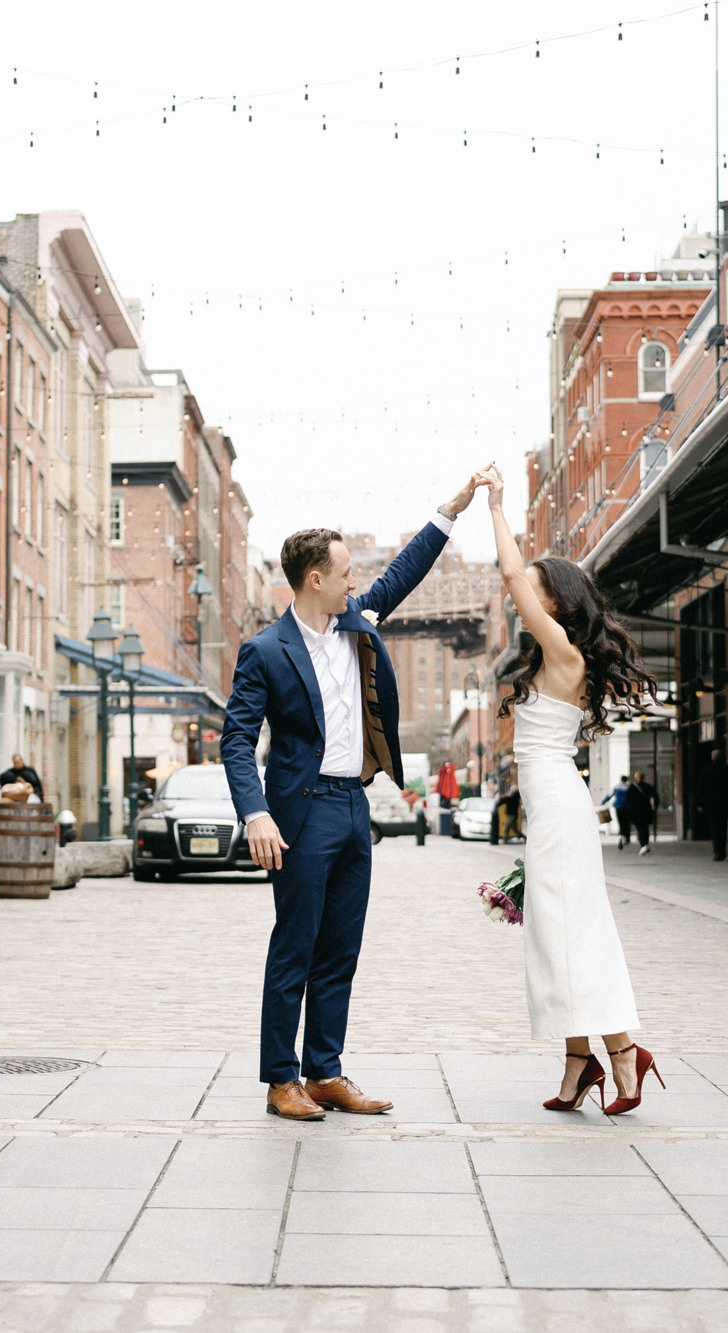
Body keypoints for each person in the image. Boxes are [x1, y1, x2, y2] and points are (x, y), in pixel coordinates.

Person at [222, 471, 487, 1122]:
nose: (354, 580)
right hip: (299, 811)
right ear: (315, 578)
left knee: (341, 946)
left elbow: (405, 572)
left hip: (352, 807)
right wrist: (255, 811)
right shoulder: (264, 651)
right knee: (296, 944)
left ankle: (326, 1069)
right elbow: (236, 739)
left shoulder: (356, 623)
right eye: (344, 571)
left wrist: (449, 510)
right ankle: (282, 1080)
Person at [478, 461, 663, 1116]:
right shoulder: (550, 655)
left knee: (571, 935)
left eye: (530, 590)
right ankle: (579, 1064)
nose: (516, 596)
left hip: (558, 804)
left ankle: (620, 1056)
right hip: (552, 806)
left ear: (552, 601)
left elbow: (507, 574)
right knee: (556, 935)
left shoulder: (562, 649)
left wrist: (496, 507)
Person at [699, 747, 728, 862]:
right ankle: (722, 850)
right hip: (724, 803)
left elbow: (701, 788)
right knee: (723, 826)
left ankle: (717, 851)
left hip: (711, 803)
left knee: (714, 827)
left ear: (712, 758)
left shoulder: (706, 770)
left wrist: (700, 803)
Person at [625, 769, 657, 855]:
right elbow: (656, 796)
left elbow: (627, 801)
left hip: (636, 812)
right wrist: (655, 808)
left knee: (640, 828)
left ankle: (643, 845)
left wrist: (629, 811)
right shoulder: (647, 786)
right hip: (646, 811)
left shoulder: (632, 788)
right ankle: (645, 844)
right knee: (645, 828)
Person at [611, 776, 631, 849]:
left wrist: (602, 802)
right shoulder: (628, 788)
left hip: (618, 807)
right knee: (626, 822)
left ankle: (621, 836)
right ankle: (626, 837)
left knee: (621, 822)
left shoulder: (616, 787)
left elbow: (609, 795)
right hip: (626, 807)